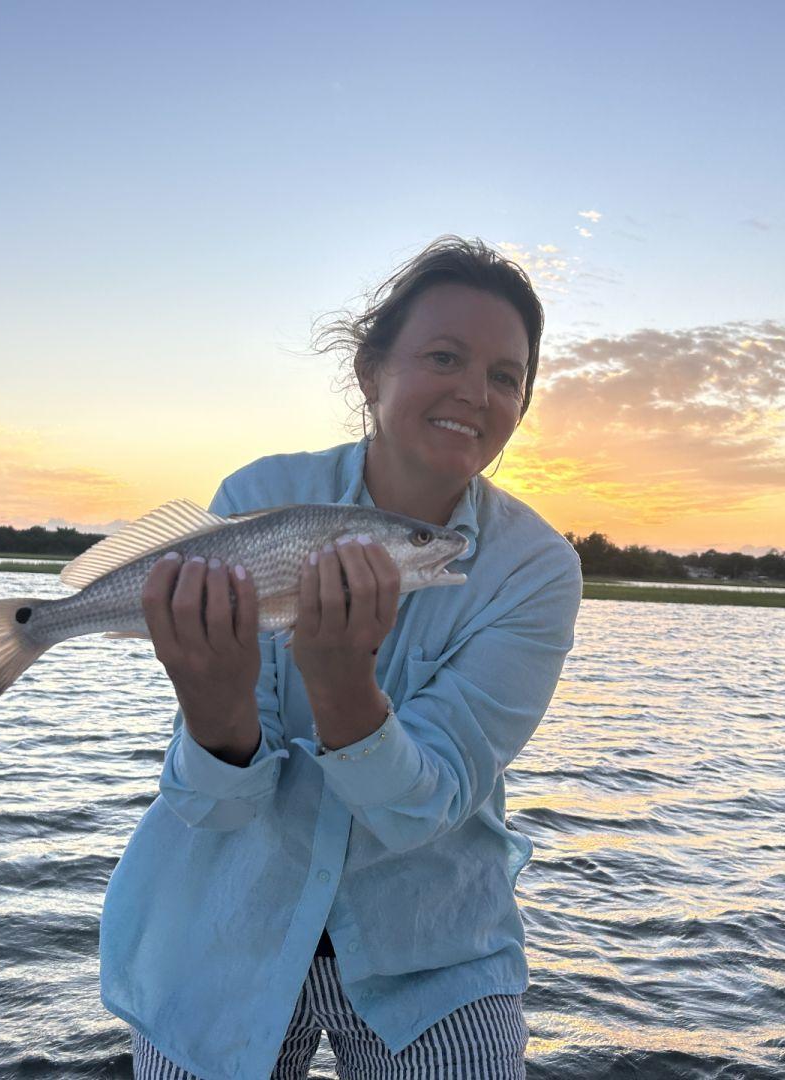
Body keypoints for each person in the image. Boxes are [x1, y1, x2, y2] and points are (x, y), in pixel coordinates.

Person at [99, 236, 583, 1079]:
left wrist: (339, 678)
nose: (475, 391)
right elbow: (210, 808)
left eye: (507, 376)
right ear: (370, 372)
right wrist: (214, 707)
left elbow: (420, 808)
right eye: (444, 356)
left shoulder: (535, 569)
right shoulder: (256, 498)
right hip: (220, 920)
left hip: (437, 953)